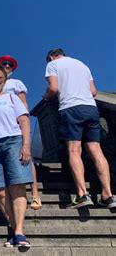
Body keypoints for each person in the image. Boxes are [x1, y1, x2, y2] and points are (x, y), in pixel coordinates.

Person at [43, 48, 115, 208]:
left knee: (74, 150)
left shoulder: (53, 65)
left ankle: (82, 195)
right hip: (90, 108)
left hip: (71, 108)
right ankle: (107, 195)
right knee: (96, 150)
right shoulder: (82, 65)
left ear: (51, 57)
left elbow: (53, 88)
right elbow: (94, 91)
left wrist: (46, 96)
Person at [0, 65, 33, 248]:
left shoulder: (12, 97)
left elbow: (24, 121)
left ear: (4, 80)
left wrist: (26, 146)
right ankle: (14, 229)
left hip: (13, 141)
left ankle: (19, 231)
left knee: (16, 185)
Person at [0, 55, 41, 210]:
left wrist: (24, 125)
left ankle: (35, 194)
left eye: (9, 65)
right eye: (3, 64)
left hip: (17, 126)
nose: (7, 66)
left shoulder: (16, 83)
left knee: (26, 159)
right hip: (2, 129)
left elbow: (23, 104)